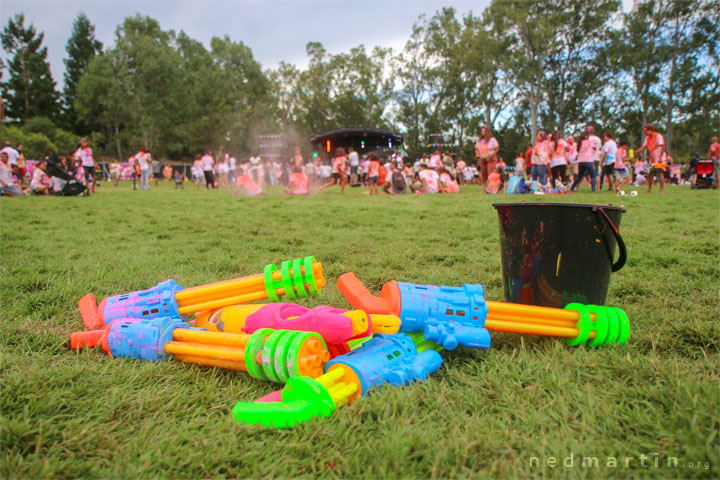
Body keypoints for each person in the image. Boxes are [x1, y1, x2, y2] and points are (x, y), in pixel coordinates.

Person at [634, 124, 666, 194]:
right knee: (650, 173)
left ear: (650, 130)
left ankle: (662, 190)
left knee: (660, 173)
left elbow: (663, 146)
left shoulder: (658, 136)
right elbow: (643, 147)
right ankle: (649, 189)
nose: (645, 133)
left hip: (659, 158)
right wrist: (635, 152)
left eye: (646, 131)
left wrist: (660, 156)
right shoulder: (647, 138)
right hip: (653, 159)